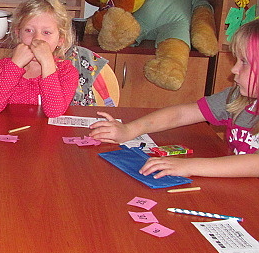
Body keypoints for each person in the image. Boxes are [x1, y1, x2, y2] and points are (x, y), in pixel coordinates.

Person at [90, 19, 259, 178]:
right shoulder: (237, 97)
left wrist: (189, 166)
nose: (234, 69)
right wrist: (129, 130)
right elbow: (181, 114)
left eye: (244, 62)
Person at [0, 0, 78, 117]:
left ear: (60, 40)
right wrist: (15, 65)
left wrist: (47, 63)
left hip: (46, 129)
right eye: (29, 30)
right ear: (18, 34)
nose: (36, 38)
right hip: (11, 128)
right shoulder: (5, 66)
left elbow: (54, 112)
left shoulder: (66, 72)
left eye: (46, 32)